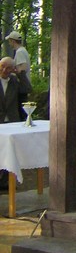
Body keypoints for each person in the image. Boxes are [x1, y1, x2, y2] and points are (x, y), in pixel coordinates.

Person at [0, 56, 32, 189]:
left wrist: (20, 74)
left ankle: (5, 182)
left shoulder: (14, 81)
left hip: (12, 122)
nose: (4, 70)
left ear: (12, 69)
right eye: (2, 66)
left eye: (8, 68)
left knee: (10, 153)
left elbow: (27, 89)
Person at [5, 31, 31, 120]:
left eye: (10, 41)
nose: (9, 43)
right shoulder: (23, 50)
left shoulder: (20, 52)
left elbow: (22, 68)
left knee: (21, 110)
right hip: (23, 85)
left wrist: (11, 70)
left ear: (13, 41)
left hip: (21, 86)